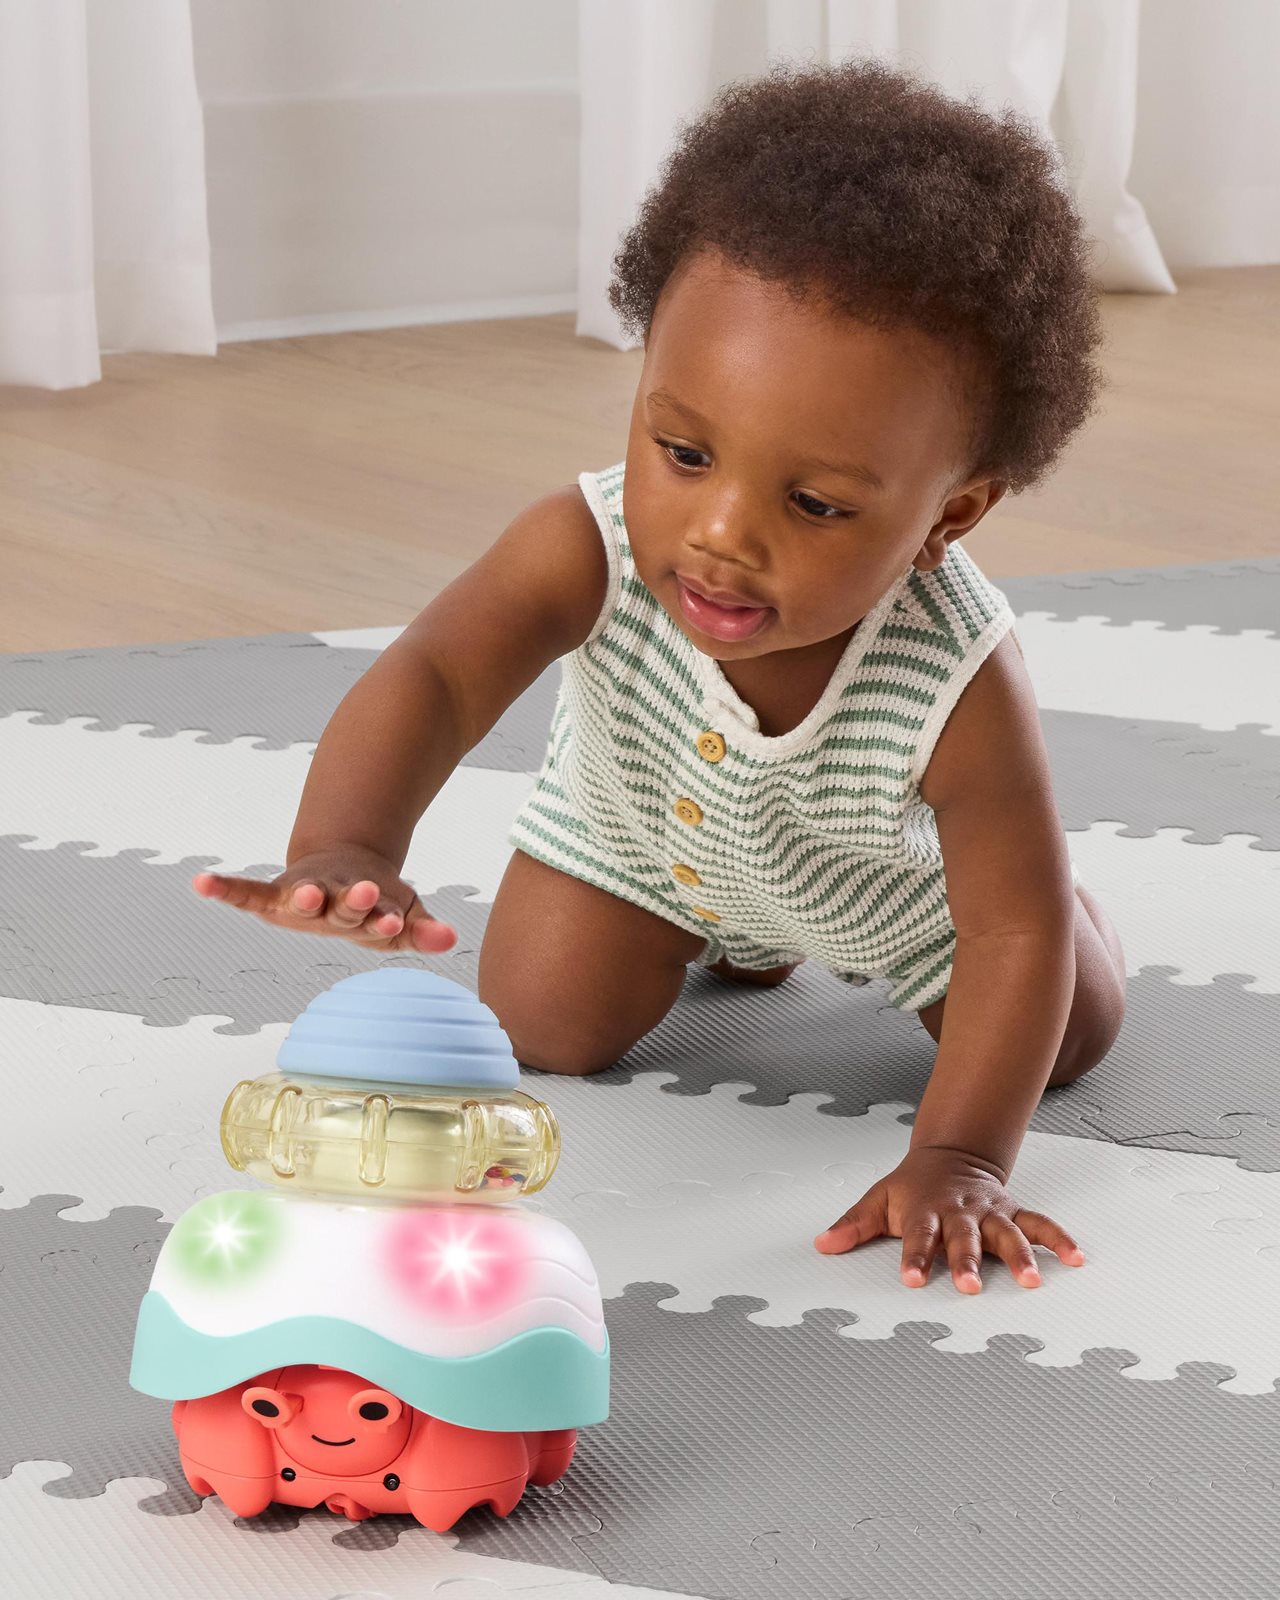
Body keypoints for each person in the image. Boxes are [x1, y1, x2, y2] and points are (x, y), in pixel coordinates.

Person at [194, 58, 1126, 1298]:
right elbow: (435, 675)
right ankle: (730, 939)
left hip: (887, 901)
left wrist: (956, 1152)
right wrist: (344, 845)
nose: (719, 533)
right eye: (681, 450)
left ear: (946, 514)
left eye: (813, 502)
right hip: (635, 840)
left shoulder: (957, 674)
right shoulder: (581, 544)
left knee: (1060, 1031)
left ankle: (1072, 922)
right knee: (539, 1024)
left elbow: (1001, 927)